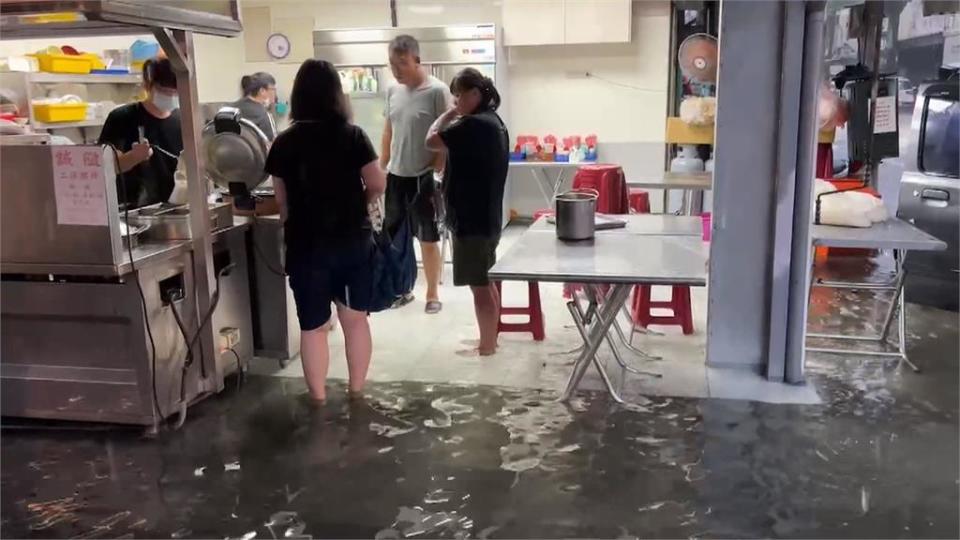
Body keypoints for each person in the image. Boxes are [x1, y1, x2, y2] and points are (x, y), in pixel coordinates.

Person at [264, 59, 386, 402]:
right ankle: (356, 392)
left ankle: (318, 398)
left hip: (306, 245)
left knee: (313, 328)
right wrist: (359, 202)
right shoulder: (353, 135)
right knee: (355, 321)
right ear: (337, 94)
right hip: (351, 242)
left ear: (299, 95)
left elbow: (281, 200)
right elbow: (378, 182)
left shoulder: (284, 142)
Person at [425, 68, 509, 356]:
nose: (457, 100)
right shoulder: (494, 122)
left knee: (480, 286)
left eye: (460, 95)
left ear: (476, 94)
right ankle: (489, 340)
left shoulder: (473, 125)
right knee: (485, 281)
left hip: (473, 221)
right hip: (486, 217)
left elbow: (431, 140)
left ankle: (487, 347)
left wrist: (449, 114)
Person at [381, 34, 450, 314]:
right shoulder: (392, 91)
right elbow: (388, 131)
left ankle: (432, 293)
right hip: (397, 174)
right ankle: (402, 289)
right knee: (395, 236)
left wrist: (436, 170)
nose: (397, 70)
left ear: (417, 61)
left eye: (402, 64)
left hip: (424, 175)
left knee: (428, 236)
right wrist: (381, 165)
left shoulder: (437, 91)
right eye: (392, 65)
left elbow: (446, 137)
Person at [98, 58, 182, 208]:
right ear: (148, 85)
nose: (171, 96)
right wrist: (133, 157)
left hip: (174, 207)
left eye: (175, 92)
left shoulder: (182, 120)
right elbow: (106, 167)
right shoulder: (122, 117)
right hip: (132, 210)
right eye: (165, 91)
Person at [232, 71, 278, 141]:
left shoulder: (230, 109)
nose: (275, 93)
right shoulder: (264, 115)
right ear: (262, 91)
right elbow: (274, 145)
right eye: (273, 89)